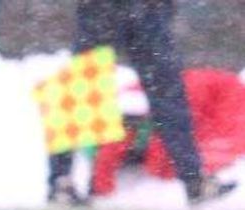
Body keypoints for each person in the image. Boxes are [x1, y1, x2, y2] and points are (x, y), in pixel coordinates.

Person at [47, 0, 236, 206]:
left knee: (82, 88)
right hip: (127, 8)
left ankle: (60, 180)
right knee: (85, 88)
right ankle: (194, 180)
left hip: (133, 8)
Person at [91, 66, 245, 197]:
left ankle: (98, 185)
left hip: (143, 102)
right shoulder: (227, 89)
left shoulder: (216, 83)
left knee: (119, 143)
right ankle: (99, 186)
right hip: (150, 108)